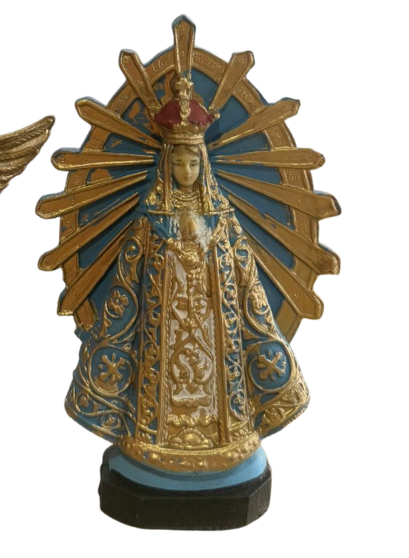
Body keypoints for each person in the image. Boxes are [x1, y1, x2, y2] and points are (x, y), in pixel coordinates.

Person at [65, 74, 310, 474]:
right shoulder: (151, 218)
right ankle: (150, 435)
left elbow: (245, 277)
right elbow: (128, 280)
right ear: (166, 163)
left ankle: (229, 432)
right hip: (162, 326)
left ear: (204, 163)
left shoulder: (221, 217)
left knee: (220, 381)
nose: (186, 170)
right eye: (178, 162)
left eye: (194, 162)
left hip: (216, 327)